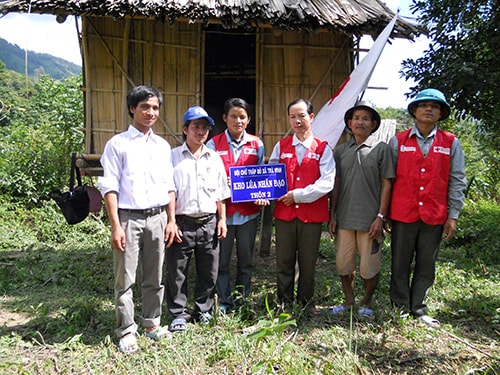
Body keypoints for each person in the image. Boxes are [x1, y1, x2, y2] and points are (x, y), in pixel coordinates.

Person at [98, 85, 176, 354]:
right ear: (132, 108)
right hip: (128, 218)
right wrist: (116, 226)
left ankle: (152, 324)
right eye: (145, 106)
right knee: (125, 277)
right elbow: (109, 187)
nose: (150, 112)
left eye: (155, 107)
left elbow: (169, 187)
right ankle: (126, 329)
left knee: (155, 275)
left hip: (157, 217)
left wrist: (171, 219)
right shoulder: (117, 144)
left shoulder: (163, 146)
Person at [389, 88, 467, 328]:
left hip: (434, 215)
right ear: (415, 110)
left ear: (441, 113)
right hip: (403, 213)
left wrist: (453, 215)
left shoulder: (451, 142)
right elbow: (388, 180)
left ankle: (419, 308)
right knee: (399, 262)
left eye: (434, 106)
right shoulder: (398, 141)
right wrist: (384, 214)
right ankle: (399, 306)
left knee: (426, 263)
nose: (428, 109)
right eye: (423, 105)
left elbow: (457, 180)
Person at [166, 105, 231, 331]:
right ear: (185, 129)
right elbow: (169, 191)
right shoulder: (173, 156)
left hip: (208, 222)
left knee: (209, 271)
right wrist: (171, 221)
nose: (201, 131)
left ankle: (203, 310)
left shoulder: (214, 158)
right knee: (177, 271)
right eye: (196, 126)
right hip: (182, 222)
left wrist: (222, 219)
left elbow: (221, 192)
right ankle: (178, 315)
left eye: (205, 128)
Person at [327, 102, 395, 318]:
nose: (360, 122)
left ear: (373, 124)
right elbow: (336, 183)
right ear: (349, 123)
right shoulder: (341, 151)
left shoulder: (381, 149)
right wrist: (332, 215)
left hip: (370, 220)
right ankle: (348, 301)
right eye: (356, 118)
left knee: (369, 266)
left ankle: (366, 302)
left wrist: (381, 217)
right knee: (343, 264)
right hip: (345, 218)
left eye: (366, 118)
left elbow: (387, 184)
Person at [268, 98, 335, 310]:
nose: (297, 120)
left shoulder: (323, 148)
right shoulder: (281, 146)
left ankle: (306, 304)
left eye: (302, 115)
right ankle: (284, 304)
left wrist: (298, 195)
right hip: (284, 215)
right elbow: (270, 174)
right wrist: (264, 191)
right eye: (293, 116)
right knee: (284, 262)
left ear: (311, 117)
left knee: (308, 263)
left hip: (311, 216)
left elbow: (327, 182)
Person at [206, 98, 266, 313]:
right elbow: (209, 177)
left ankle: (242, 299)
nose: (238, 121)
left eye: (242, 117)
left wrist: (262, 194)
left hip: (248, 213)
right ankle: (223, 301)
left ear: (248, 120)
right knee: (221, 261)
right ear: (225, 118)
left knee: (246, 260)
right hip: (224, 212)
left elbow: (262, 176)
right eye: (233, 116)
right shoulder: (213, 144)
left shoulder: (256, 144)